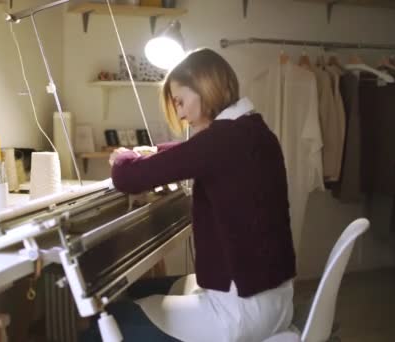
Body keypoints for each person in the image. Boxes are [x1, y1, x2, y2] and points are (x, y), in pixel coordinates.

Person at [82, 48, 296, 342]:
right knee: (141, 292)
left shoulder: (222, 141)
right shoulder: (252, 130)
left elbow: (127, 177)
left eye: (180, 101)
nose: (180, 113)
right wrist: (154, 151)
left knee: (104, 324)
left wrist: (122, 155)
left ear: (205, 88)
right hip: (274, 301)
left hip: (239, 312)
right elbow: (191, 152)